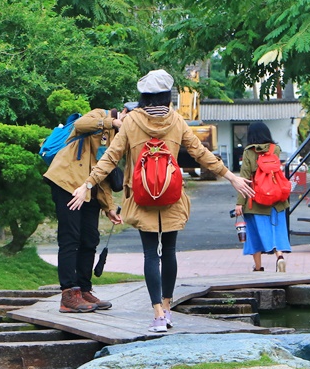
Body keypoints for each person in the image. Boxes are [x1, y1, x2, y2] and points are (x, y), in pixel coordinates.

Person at [68, 70, 254, 333]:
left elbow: (110, 157)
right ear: (167, 96)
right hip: (171, 197)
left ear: (143, 97)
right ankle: (167, 308)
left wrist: (86, 184)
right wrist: (230, 177)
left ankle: (156, 313)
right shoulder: (177, 121)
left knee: (149, 254)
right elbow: (200, 153)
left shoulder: (131, 122)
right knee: (169, 252)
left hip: (142, 197)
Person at [44, 107, 125, 313]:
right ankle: (68, 294)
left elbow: (104, 174)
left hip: (89, 188)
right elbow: (81, 125)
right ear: (123, 111)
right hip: (67, 182)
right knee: (71, 236)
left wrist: (109, 208)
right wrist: (111, 123)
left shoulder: (118, 136)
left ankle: (84, 289)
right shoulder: (100, 115)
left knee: (90, 238)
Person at [234, 122, 292, 272]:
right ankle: (279, 256)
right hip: (276, 199)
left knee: (254, 233)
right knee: (276, 230)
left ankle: (258, 267)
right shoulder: (275, 149)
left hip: (255, 199)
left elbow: (245, 179)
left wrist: (240, 203)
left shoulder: (249, 152)